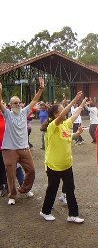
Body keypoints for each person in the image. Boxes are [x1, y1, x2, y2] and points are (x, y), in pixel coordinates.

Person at [39, 92, 87, 223]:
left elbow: (74, 117)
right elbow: (61, 116)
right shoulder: (52, 126)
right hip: (54, 165)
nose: (65, 113)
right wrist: (73, 101)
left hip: (66, 164)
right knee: (52, 189)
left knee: (70, 189)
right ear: (55, 114)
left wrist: (81, 104)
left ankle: (73, 215)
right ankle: (45, 211)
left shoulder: (65, 125)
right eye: (61, 111)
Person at [0, 77, 45, 205]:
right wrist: (0, 90)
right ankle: (12, 196)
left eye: (19, 102)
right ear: (10, 105)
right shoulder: (7, 114)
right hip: (9, 149)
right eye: (15, 103)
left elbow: (35, 100)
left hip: (24, 148)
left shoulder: (24, 112)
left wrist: (41, 88)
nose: (18, 104)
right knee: (11, 175)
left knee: (31, 170)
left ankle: (24, 189)